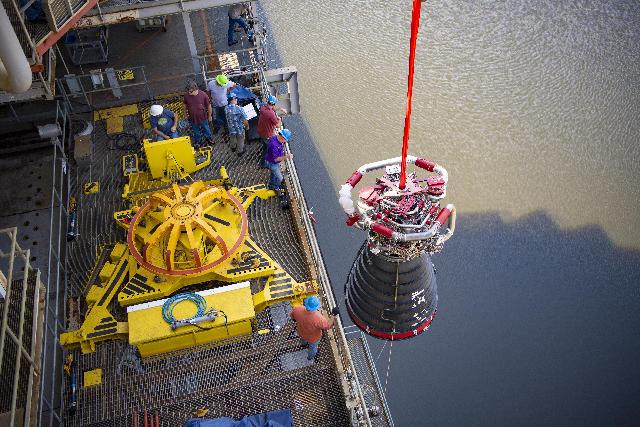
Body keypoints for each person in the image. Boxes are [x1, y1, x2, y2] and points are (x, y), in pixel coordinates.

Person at [290, 296, 337, 361]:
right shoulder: (319, 319)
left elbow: (292, 317)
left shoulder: (297, 309)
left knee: (303, 339)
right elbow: (327, 326)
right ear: (316, 307)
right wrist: (333, 315)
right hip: (313, 338)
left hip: (301, 332)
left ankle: (303, 345)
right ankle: (310, 357)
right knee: (313, 348)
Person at [257, 95, 287, 167]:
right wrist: (280, 119)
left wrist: (280, 108)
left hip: (261, 131)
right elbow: (278, 125)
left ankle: (262, 153)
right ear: (273, 104)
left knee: (265, 145)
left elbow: (272, 108)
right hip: (267, 135)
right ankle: (263, 164)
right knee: (268, 150)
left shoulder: (263, 107)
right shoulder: (271, 114)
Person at [183, 80, 212, 146]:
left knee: (206, 128)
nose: (189, 93)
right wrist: (185, 115)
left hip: (203, 117)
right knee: (195, 131)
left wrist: (210, 116)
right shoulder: (186, 96)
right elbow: (184, 106)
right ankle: (197, 141)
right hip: (192, 118)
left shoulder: (203, 95)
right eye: (188, 91)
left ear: (195, 89)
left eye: (190, 91)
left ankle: (209, 138)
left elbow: (209, 106)